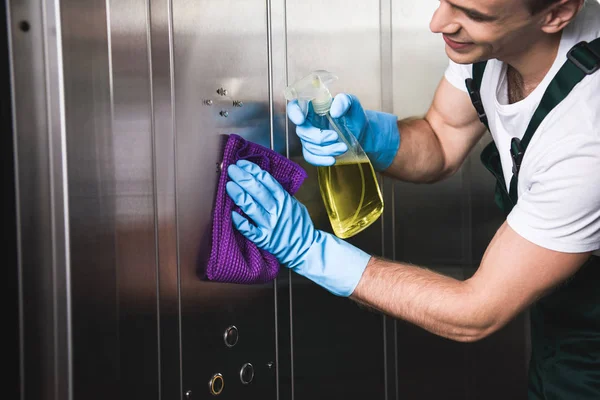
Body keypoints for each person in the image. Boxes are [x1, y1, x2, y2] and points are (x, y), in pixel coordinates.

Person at [225, 0, 600, 397]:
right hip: (560, 333)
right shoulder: (490, 41)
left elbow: (475, 311)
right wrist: (367, 135)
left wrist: (310, 251)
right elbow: (441, 137)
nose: (439, 23)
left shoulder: (586, 136)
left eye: (472, 15)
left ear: (556, 14)